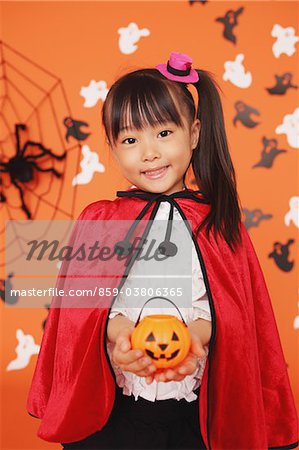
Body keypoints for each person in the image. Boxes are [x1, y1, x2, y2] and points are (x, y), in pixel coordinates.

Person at [26, 52, 298, 450]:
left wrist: (195, 339)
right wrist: (120, 341)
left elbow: (225, 313)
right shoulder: (100, 221)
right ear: (114, 148)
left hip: (194, 417)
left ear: (194, 133)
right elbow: (89, 313)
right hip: (116, 416)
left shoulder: (219, 223)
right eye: (131, 140)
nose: (149, 153)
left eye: (164, 134)